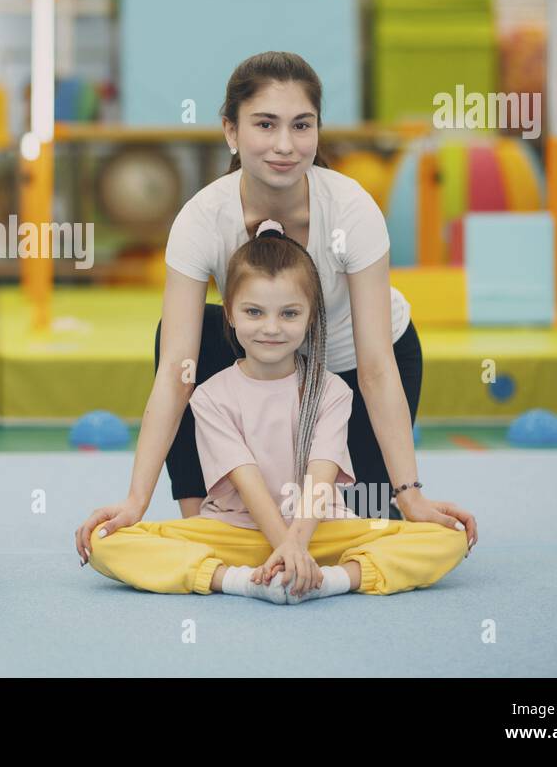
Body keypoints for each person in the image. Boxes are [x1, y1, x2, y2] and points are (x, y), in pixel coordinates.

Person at [77, 50, 476, 564]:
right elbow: (178, 371)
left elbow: (377, 367)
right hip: (265, 359)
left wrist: (409, 491)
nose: (285, 145)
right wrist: (135, 500)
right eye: (265, 124)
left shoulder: (351, 210)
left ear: (317, 131)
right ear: (231, 132)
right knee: (187, 332)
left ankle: (373, 505)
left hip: (355, 368)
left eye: (301, 125)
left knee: (357, 527)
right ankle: (204, 517)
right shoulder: (203, 219)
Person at [88, 222, 467, 602]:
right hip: (235, 531)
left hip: (320, 530)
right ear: (231, 315)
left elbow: (322, 475)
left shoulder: (333, 391)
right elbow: (245, 479)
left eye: (289, 314)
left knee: (448, 538)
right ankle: (239, 580)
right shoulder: (209, 396)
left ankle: (332, 580)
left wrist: (296, 544)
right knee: (106, 543)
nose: (271, 328)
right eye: (254, 312)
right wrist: (286, 546)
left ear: (311, 318)